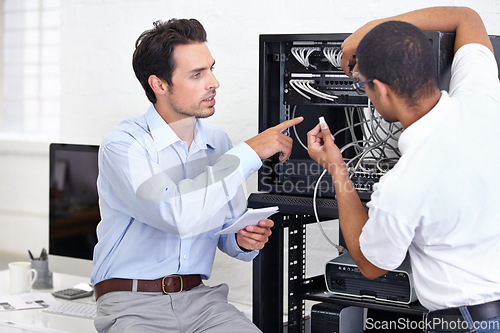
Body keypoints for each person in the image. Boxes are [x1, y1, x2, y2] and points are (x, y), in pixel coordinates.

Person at [91, 18, 303, 333]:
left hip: (202, 302)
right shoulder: (124, 145)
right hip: (132, 305)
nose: (213, 82)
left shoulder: (218, 143)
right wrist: (248, 153)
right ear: (159, 85)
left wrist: (243, 240)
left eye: (211, 69)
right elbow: (176, 214)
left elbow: (225, 235)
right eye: (197, 74)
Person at [307, 6, 500, 333]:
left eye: (363, 86)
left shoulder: (405, 182)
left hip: (466, 323)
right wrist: (371, 28)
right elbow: (467, 17)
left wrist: (337, 168)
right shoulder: (482, 96)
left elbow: (370, 265)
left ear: (380, 89)